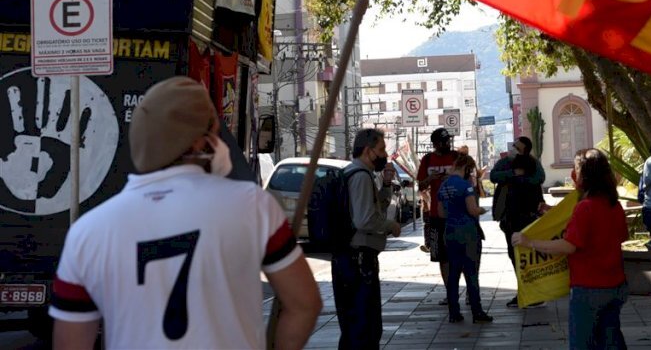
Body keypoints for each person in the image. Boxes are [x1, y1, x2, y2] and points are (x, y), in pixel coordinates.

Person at [49, 76, 321, 350]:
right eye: (217, 132)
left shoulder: (88, 232)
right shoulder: (252, 207)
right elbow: (304, 304)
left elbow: (70, 342)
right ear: (201, 143)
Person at [513, 149, 627, 350]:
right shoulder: (614, 205)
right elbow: (619, 236)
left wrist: (529, 242)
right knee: (611, 342)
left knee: (583, 344)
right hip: (615, 286)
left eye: (576, 170)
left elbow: (568, 245)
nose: (573, 175)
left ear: (584, 175)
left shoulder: (585, 207)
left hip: (589, 288)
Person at [333, 128, 402, 349]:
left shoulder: (352, 173)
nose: (384, 155)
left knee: (355, 326)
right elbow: (365, 220)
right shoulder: (361, 176)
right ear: (367, 150)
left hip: (349, 259)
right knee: (365, 328)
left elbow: (370, 210)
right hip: (359, 262)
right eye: (381, 150)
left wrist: (387, 185)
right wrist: (390, 226)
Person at [490, 136, 545, 308]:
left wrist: (520, 179)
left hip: (528, 216)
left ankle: (534, 292)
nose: (514, 150)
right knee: (514, 255)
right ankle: (523, 290)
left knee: (528, 256)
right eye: (514, 146)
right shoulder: (505, 163)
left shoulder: (533, 163)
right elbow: (493, 176)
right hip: (510, 218)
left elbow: (539, 178)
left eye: (518, 148)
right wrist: (512, 174)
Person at [437, 154, 493, 324]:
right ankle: (477, 312)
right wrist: (482, 210)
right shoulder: (466, 185)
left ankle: (454, 313)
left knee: (453, 273)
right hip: (468, 233)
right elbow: (472, 210)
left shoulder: (444, 186)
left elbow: (440, 213)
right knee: (471, 273)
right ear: (468, 169)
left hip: (450, 231)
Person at [417, 128, 459, 299]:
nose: (446, 144)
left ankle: (468, 291)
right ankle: (450, 292)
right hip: (437, 214)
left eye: (448, 141)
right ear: (435, 144)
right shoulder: (427, 160)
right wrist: (431, 179)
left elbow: (468, 180)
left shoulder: (457, 158)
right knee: (442, 256)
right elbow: (420, 186)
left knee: (461, 254)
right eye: (443, 142)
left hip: (458, 214)